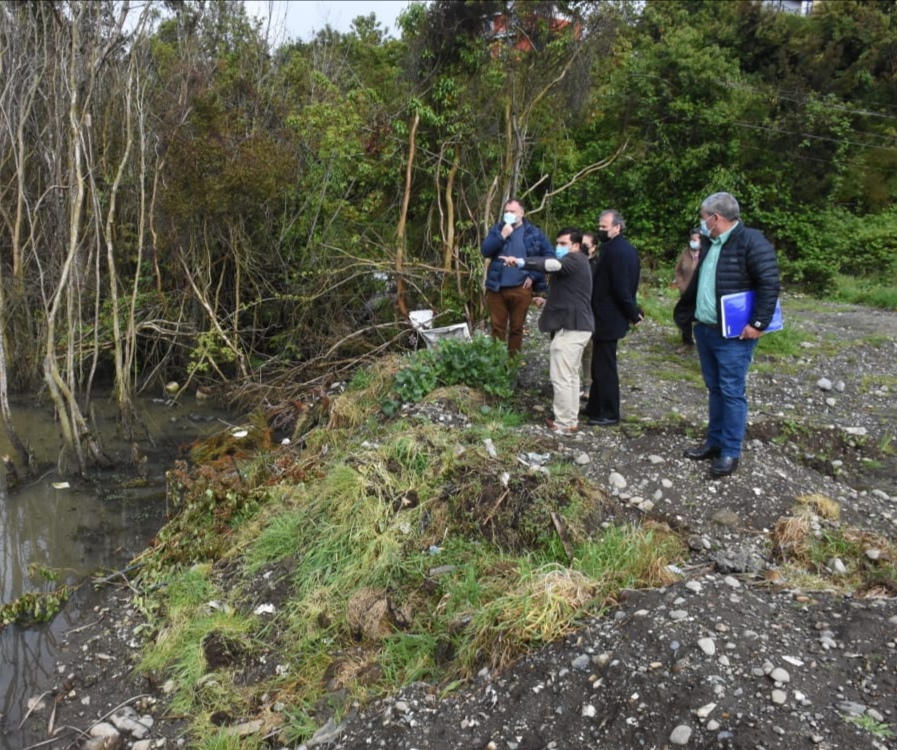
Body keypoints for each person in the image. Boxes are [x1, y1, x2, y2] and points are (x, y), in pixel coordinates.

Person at [674, 192, 780, 478]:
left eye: (703, 217)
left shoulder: (752, 241)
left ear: (715, 217)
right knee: (715, 388)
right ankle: (714, 441)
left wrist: (758, 323)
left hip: (734, 335)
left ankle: (730, 450)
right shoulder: (710, 242)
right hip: (705, 329)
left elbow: (769, 283)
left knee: (732, 391)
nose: (701, 223)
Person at [499, 228, 593, 433]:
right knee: (571, 376)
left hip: (572, 327)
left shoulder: (574, 259)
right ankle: (570, 420)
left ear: (576, 246)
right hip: (578, 326)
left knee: (561, 377)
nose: (558, 247)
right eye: (557, 243)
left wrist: (520, 261)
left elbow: (551, 264)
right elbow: (569, 293)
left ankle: (563, 423)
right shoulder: (579, 262)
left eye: (563, 244)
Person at [583, 209, 643, 427]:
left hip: (609, 316)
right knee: (599, 364)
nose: (600, 230)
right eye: (599, 226)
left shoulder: (618, 251)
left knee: (605, 366)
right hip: (604, 315)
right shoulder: (614, 248)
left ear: (617, 227)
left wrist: (633, 313)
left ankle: (609, 411)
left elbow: (621, 287)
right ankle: (595, 405)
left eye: (604, 227)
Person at [481, 199, 553, 356]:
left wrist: (534, 275)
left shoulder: (534, 233)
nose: (508, 214)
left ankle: (512, 364)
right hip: (497, 288)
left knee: (516, 329)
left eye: (512, 212)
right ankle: (496, 364)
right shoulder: (498, 229)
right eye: (506, 211)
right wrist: (502, 235)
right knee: (497, 328)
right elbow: (485, 251)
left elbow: (548, 256)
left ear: (522, 213)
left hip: (521, 288)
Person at [673, 229, 702, 350]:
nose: (692, 242)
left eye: (695, 239)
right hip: (686, 292)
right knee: (682, 316)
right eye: (691, 239)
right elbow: (678, 271)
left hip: (701, 293)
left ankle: (703, 344)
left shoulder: (706, 253)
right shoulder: (685, 253)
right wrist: (681, 285)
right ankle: (687, 341)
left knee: (701, 318)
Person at [580, 231, 598, 395]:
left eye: (586, 244)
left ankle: (588, 385)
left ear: (593, 248)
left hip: (589, 313)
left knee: (588, 351)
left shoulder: (597, 266)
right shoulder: (573, 262)